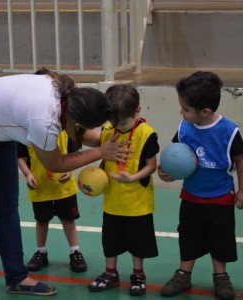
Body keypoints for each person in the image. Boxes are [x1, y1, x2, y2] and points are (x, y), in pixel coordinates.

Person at [0, 70, 132, 300]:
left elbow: (81, 132)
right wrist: (101, 152)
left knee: (7, 208)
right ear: (77, 119)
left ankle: (17, 278)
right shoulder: (44, 119)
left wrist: (118, 139)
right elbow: (57, 163)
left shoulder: (71, 95)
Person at [158, 71, 243, 300]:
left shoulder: (229, 131)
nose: (181, 112)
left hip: (219, 197)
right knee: (188, 236)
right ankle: (183, 273)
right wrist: (165, 170)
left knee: (221, 238)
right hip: (191, 196)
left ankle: (221, 276)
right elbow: (176, 156)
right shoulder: (185, 128)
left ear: (205, 111)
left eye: (185, 109)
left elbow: (241, 159)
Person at [88, 84, 160, 296]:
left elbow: (151, 165)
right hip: (112, 202)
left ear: (137, 110)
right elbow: (104, 160)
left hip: (138, 204)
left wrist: (133, 178)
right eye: (113, 122)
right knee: (110, 241)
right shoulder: (108, 131)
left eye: (123, 122)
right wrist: (95, 179)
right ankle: (111, 273)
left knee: (138, 244)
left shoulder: (146, 134)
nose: (118, 126)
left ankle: (138, 274)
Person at [17, 131, 87, 273]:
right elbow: (19, 156)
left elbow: (74, 154)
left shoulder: (65, 129)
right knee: (41, 220)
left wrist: (70, 169)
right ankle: (41, 252)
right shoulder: (27, 130)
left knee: (68, 220)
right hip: (39, 186)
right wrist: (27, 174)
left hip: (64, 187)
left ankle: (75, 251)